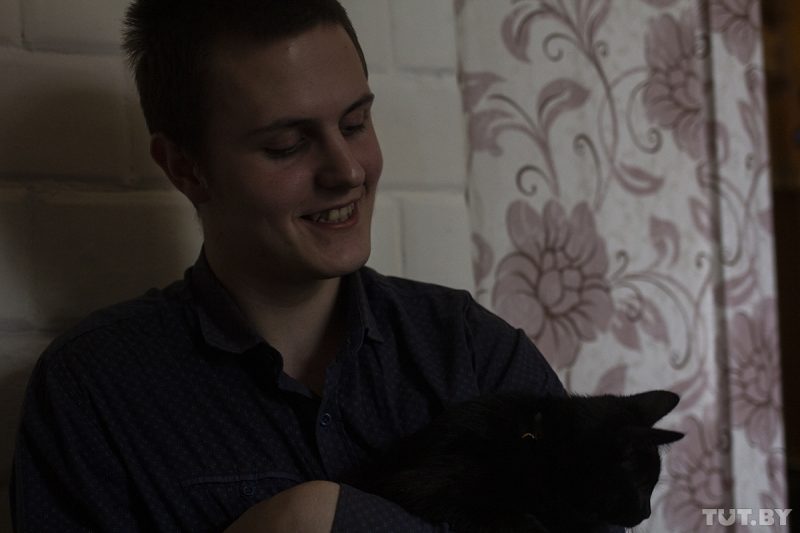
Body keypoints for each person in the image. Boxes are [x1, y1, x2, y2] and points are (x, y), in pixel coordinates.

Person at [9, 1, 601, 531]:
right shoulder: (94, 390)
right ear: (186, 168)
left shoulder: (471, 352)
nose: (348, 171)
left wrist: (326, 517)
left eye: (354, 124)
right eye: (287, 145)